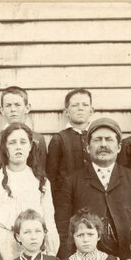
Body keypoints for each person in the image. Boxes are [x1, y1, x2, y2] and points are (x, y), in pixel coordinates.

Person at [55, 116, 131, 258]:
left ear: (119, 147)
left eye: (109, 139)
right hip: (86, 259)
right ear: (88, 147)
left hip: (128, 256)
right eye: (97, 140)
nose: (103, 144)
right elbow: (62, 225)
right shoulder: (72, 181)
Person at [0, 122, 60, 260]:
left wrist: (50, 253)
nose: (18, 146)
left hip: (34, 247)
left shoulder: (41, 183)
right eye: (12, 142)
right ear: (5, 148)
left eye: (23, 142)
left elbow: (49, 220)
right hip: (3, 249)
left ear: (30, 146)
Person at [46, 88, 94, 238]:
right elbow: (52, 177)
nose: (80, 108)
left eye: (85, 105)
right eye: (75, 105)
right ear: (66, 111)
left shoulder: (97, 136)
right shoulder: (59, 139)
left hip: (94, 197)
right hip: (67, 201)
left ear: (91, 110)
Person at [0, 86, 48, 177]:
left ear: (27, 108)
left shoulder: (38, 139)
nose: (13, 109)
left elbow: (41, 172)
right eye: (8, 105)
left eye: (17, 105)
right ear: (2, 110)